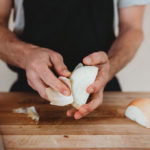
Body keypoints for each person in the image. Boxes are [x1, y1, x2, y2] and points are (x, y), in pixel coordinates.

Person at [0, 0, 150, 119]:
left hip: (102, 90)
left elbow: (132, 28)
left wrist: (110, 65)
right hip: (27, 92)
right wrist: (27, 55)